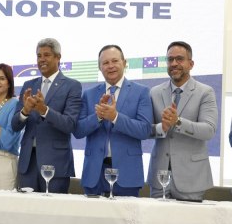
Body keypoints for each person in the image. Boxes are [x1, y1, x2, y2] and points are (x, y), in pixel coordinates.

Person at [73, 45, 152, 196]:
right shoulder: (89, 94)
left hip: (127, 173)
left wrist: (115, 117)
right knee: (92, 219)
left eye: (115, 61)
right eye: (105, 63)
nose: (110, 66)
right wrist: (99, 116)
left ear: (124, 62)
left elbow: (144, 130)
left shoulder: (141, 92)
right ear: (100, 67)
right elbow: (78, 131)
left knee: (125, 220)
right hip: (94, 174)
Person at [148, 41, 217, 201]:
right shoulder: (155, 92)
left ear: (191, 64)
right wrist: (161, 127)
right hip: (160, 178)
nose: (174, 64)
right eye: (170, 59)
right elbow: (146, 129)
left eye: (179, 59)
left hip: (192, 178)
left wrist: (177, 122)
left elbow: (209, 130)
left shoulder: (205, 92)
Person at [11, 38, 82, 193]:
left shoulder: (72, 86)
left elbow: (70, 124)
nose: (41, 59)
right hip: (27, 164)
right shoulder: (28, 85)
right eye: (39, 55)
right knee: (26, 212)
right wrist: (25, 111)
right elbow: (15, 125)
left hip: (56, 164)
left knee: (53, 213)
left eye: (46, 55)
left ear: (58, 57)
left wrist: (45, 110)